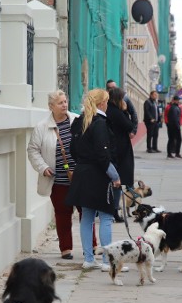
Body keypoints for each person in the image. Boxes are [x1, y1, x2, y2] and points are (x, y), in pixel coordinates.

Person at [27, 90, 87, 259]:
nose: (64, 105)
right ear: (51, 107)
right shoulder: (42, 127)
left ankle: (91, 246)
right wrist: (43, 167)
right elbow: (32, 150)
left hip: (80, 178)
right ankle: (66, 248)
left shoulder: (77, 120)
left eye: (65, 101)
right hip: (58, 179)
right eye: (60, 103)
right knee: (62, 214)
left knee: (86, 212)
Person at [66, 88, 121, 272]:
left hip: (82, 173)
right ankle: (106, 261)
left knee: (87, 217)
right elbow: (103, 155)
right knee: (106, 217)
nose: (107, 103)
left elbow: (72, 149)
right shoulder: (99, 123)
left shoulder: (80, 121)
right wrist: (115, 176)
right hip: (99, 174)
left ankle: (89, 259)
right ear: (101, 103)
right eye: (106, 101)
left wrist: (83, 163)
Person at [105, 86, 136, 222]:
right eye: (122, 98)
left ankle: (110, 210)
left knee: (114, 181)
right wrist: (125, 111)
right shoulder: (116, 112)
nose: (124, 100)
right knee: (118, 181)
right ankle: (114, 212)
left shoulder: (109, 110)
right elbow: (129, 125)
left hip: (115, 149)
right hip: (119, 151)